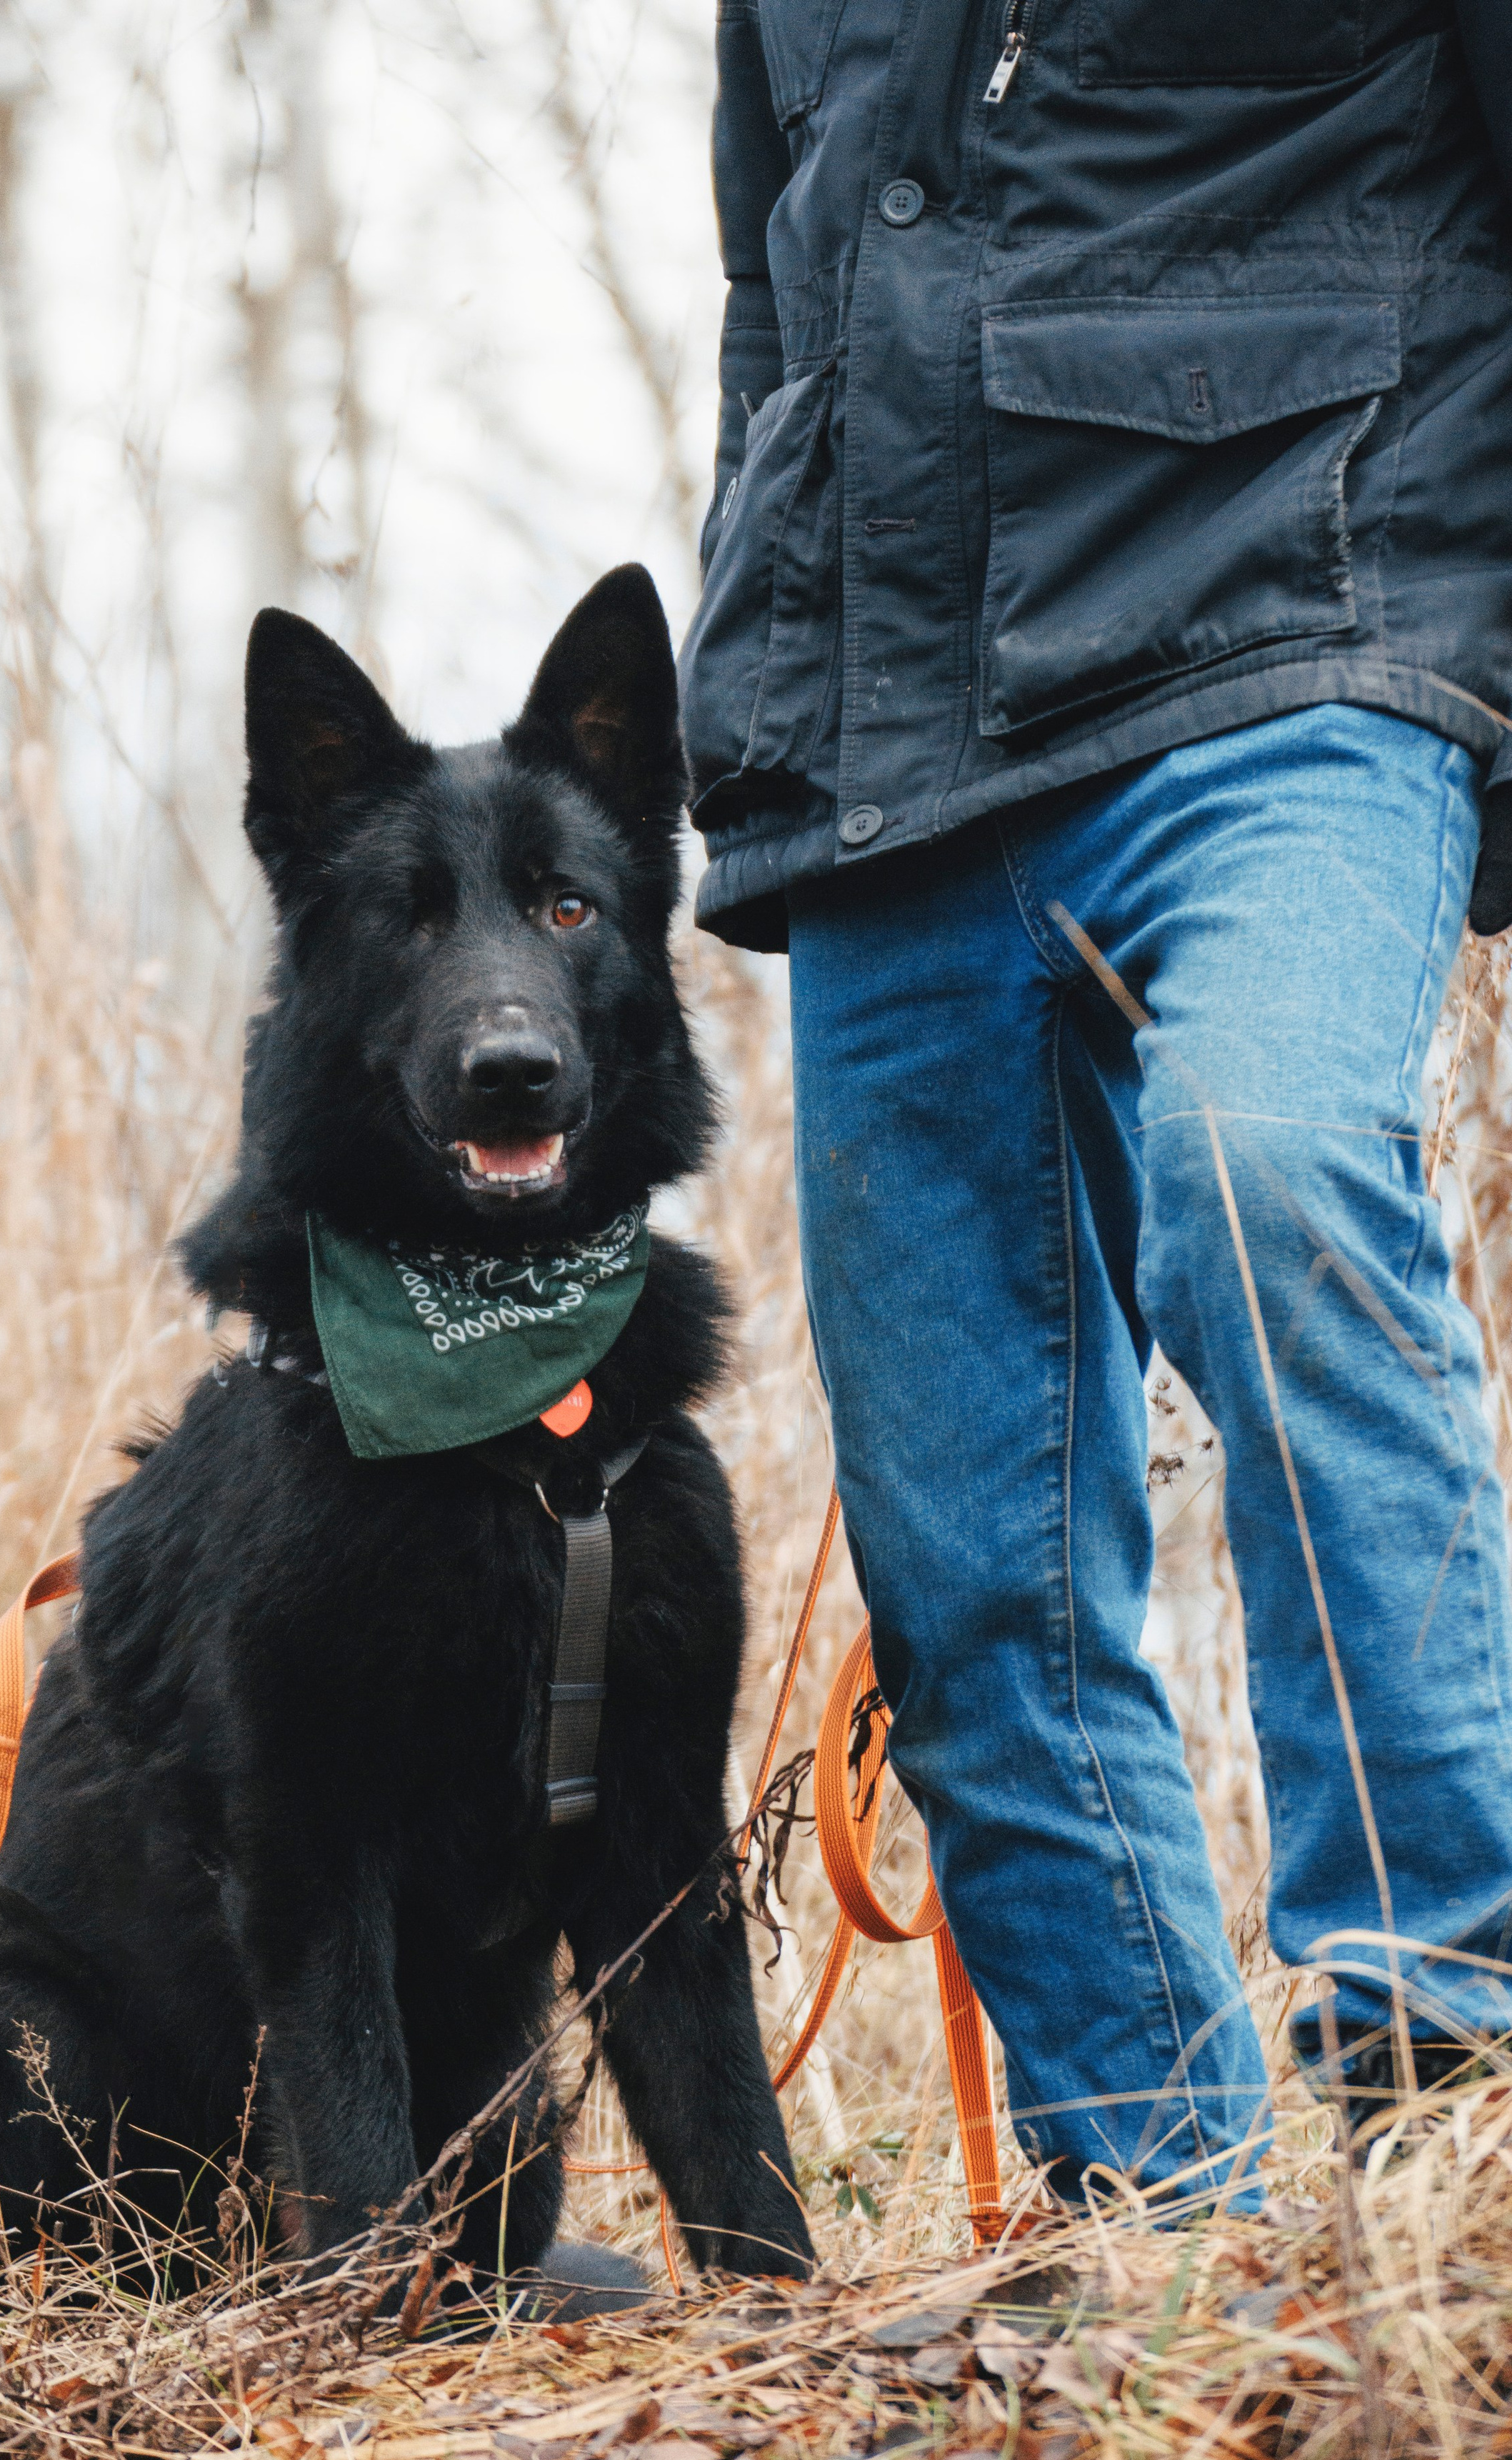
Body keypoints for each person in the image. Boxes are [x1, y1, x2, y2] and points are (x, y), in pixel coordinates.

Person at [679, 0, 1512, 2206]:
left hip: (1300, 635)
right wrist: (767, 703)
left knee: (1273, 1173)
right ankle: (1164, 2212)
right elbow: (784, 288)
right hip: (894, 771)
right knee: (965, 1546)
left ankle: (1448, 2090)